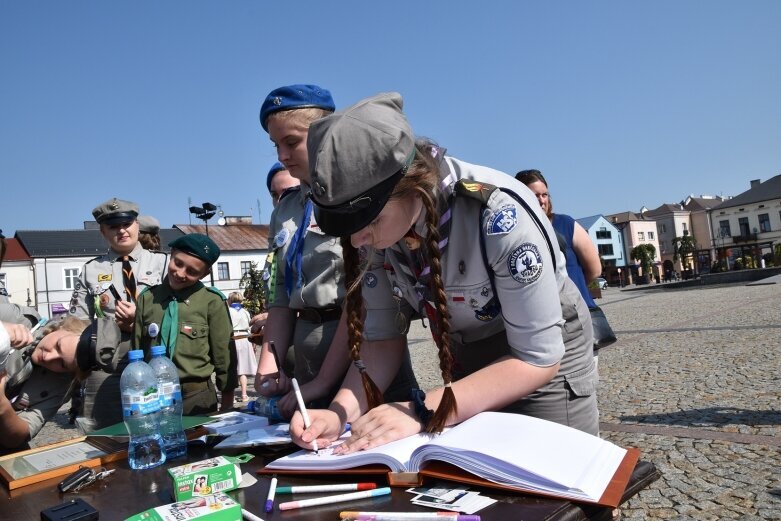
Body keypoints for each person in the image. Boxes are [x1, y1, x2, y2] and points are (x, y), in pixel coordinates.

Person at [291, 92, 598, 455]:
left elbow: (537, 357)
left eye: (370, 220)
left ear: (412, 188)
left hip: (545, 360)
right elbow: (380, 342)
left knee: (555, 474)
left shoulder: (497, 214)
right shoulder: (376, 234)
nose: (358, 240)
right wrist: (336, 413)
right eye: (349, 228)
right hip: (468, 357)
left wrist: (423, 408)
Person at [254, 84, 417, 419]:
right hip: (308, 350)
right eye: (276, 145)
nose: (282, 156)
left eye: (292, 142)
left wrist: (327, 379)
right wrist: (268, 367)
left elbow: (364, 295)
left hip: (363, 346)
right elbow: (281, 296)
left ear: (322, 136)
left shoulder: (358, 197)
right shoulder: (284, 211)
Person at [69, 198, 168, 432]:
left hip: (154, 353)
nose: (122, 230)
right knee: (104, 433)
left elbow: (178, 312)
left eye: (127, 224)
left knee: (158, 426)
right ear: (103, 231)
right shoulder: (91, 270)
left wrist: (141, 320)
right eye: (113, 226)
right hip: (107, 362)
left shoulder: (163, 263)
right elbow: (77, 323)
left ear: (136, 226)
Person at [134, 233, 237, 415]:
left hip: (197, 396)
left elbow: (224, 357)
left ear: (205, 274)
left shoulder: (211, 302)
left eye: (192, 272)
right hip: (154, 397)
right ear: (171, 254)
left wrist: (227, 405)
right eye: (178, 263)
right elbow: (138, 350)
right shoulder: (147, 299)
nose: (180, 274)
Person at [0, 317, 89, 453]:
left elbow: (18, 436)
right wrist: (2, 328)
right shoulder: (19, 317)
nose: (48, 357)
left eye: (62, 364)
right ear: (61, 327)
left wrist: (2, 405)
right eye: (58, 345)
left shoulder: (60, 386)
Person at [516, 170, 602, 310]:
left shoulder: (565, 223)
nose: (542, 201)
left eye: (544, 195)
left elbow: (595, 270)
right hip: (543, 317)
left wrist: (571, 288)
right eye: (535, 195)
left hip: (580, 311)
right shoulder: (516, 234)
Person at [227, 292, 257, 402]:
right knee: (243, 369)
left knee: (233, 368)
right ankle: (244, 395)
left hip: (233, 338)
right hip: (245, 338)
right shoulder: (245, 312)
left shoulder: (228, 311)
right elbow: (250, 327)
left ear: (230, 300)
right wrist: (253, 342)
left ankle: (232, 397)